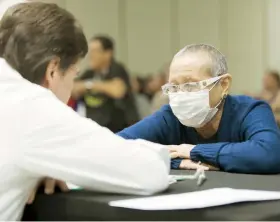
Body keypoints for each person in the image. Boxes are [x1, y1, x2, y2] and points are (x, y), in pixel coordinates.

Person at [0, 2, 169, 220]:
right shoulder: (33, 107)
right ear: (53, 70)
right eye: (73, 74)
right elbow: (150, 172)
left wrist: (37, 168)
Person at [117, 44, 280, 174]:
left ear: (223, 85)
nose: (181, 94)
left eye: (190, 85)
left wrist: (193, 151)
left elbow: (270, 153)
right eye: (173, 87)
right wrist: (172, 160)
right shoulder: (170, 116)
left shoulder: (250, 110)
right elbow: (113, 146)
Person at [72, 36, 139, 132]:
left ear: (108, 53)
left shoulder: (116, 69)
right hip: (96, 130)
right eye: (90, 51)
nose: (91, 55)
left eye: (95, 51)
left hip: (120, 131)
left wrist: (89, 85)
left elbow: (117, 90)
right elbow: (73, 89)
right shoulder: (90, 73)